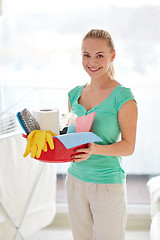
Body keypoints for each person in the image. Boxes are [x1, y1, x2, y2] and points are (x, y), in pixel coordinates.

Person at [66, 29, 138, 240]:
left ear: (112, 56)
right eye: (86, 55)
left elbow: (128, 146)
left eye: (100, 55)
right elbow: (70, 136)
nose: (92, 62)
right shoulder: (74, 94)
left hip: (107, 183)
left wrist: (95, 149)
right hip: (75, 180)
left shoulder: (123, 96)